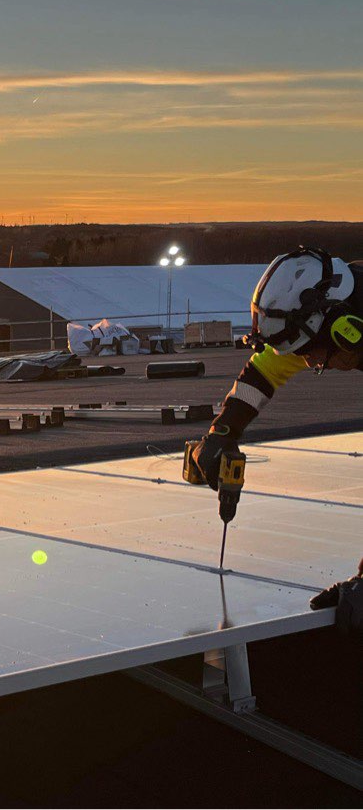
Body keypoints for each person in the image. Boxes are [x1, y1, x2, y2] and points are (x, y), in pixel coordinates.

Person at [187, 246, 362, 634]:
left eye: (312, 354)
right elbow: (264, 372)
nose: (311, 364)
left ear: (346, 328)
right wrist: (222, 432)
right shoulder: (329, 318)